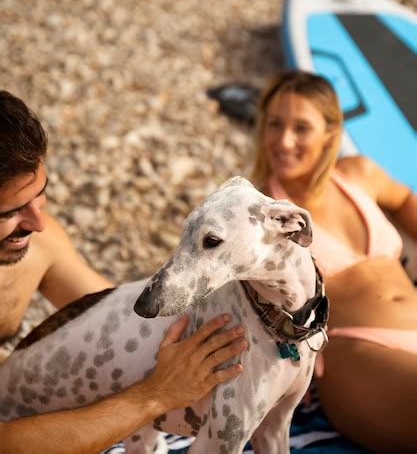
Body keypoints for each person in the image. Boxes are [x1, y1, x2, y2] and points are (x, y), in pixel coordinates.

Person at [0, 90, 247, 453]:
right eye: (11, 212)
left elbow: (115, 319)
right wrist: (155, 396)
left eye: (41, 194)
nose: (38, 223)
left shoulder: (40, 244)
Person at [250, 69, 417, 454]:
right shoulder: (260, 213)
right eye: (274, 124)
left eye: (301, 128)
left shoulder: (359, 174)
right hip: (357, 354)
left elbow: (406, 200)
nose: (283, 140)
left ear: (330, 131)